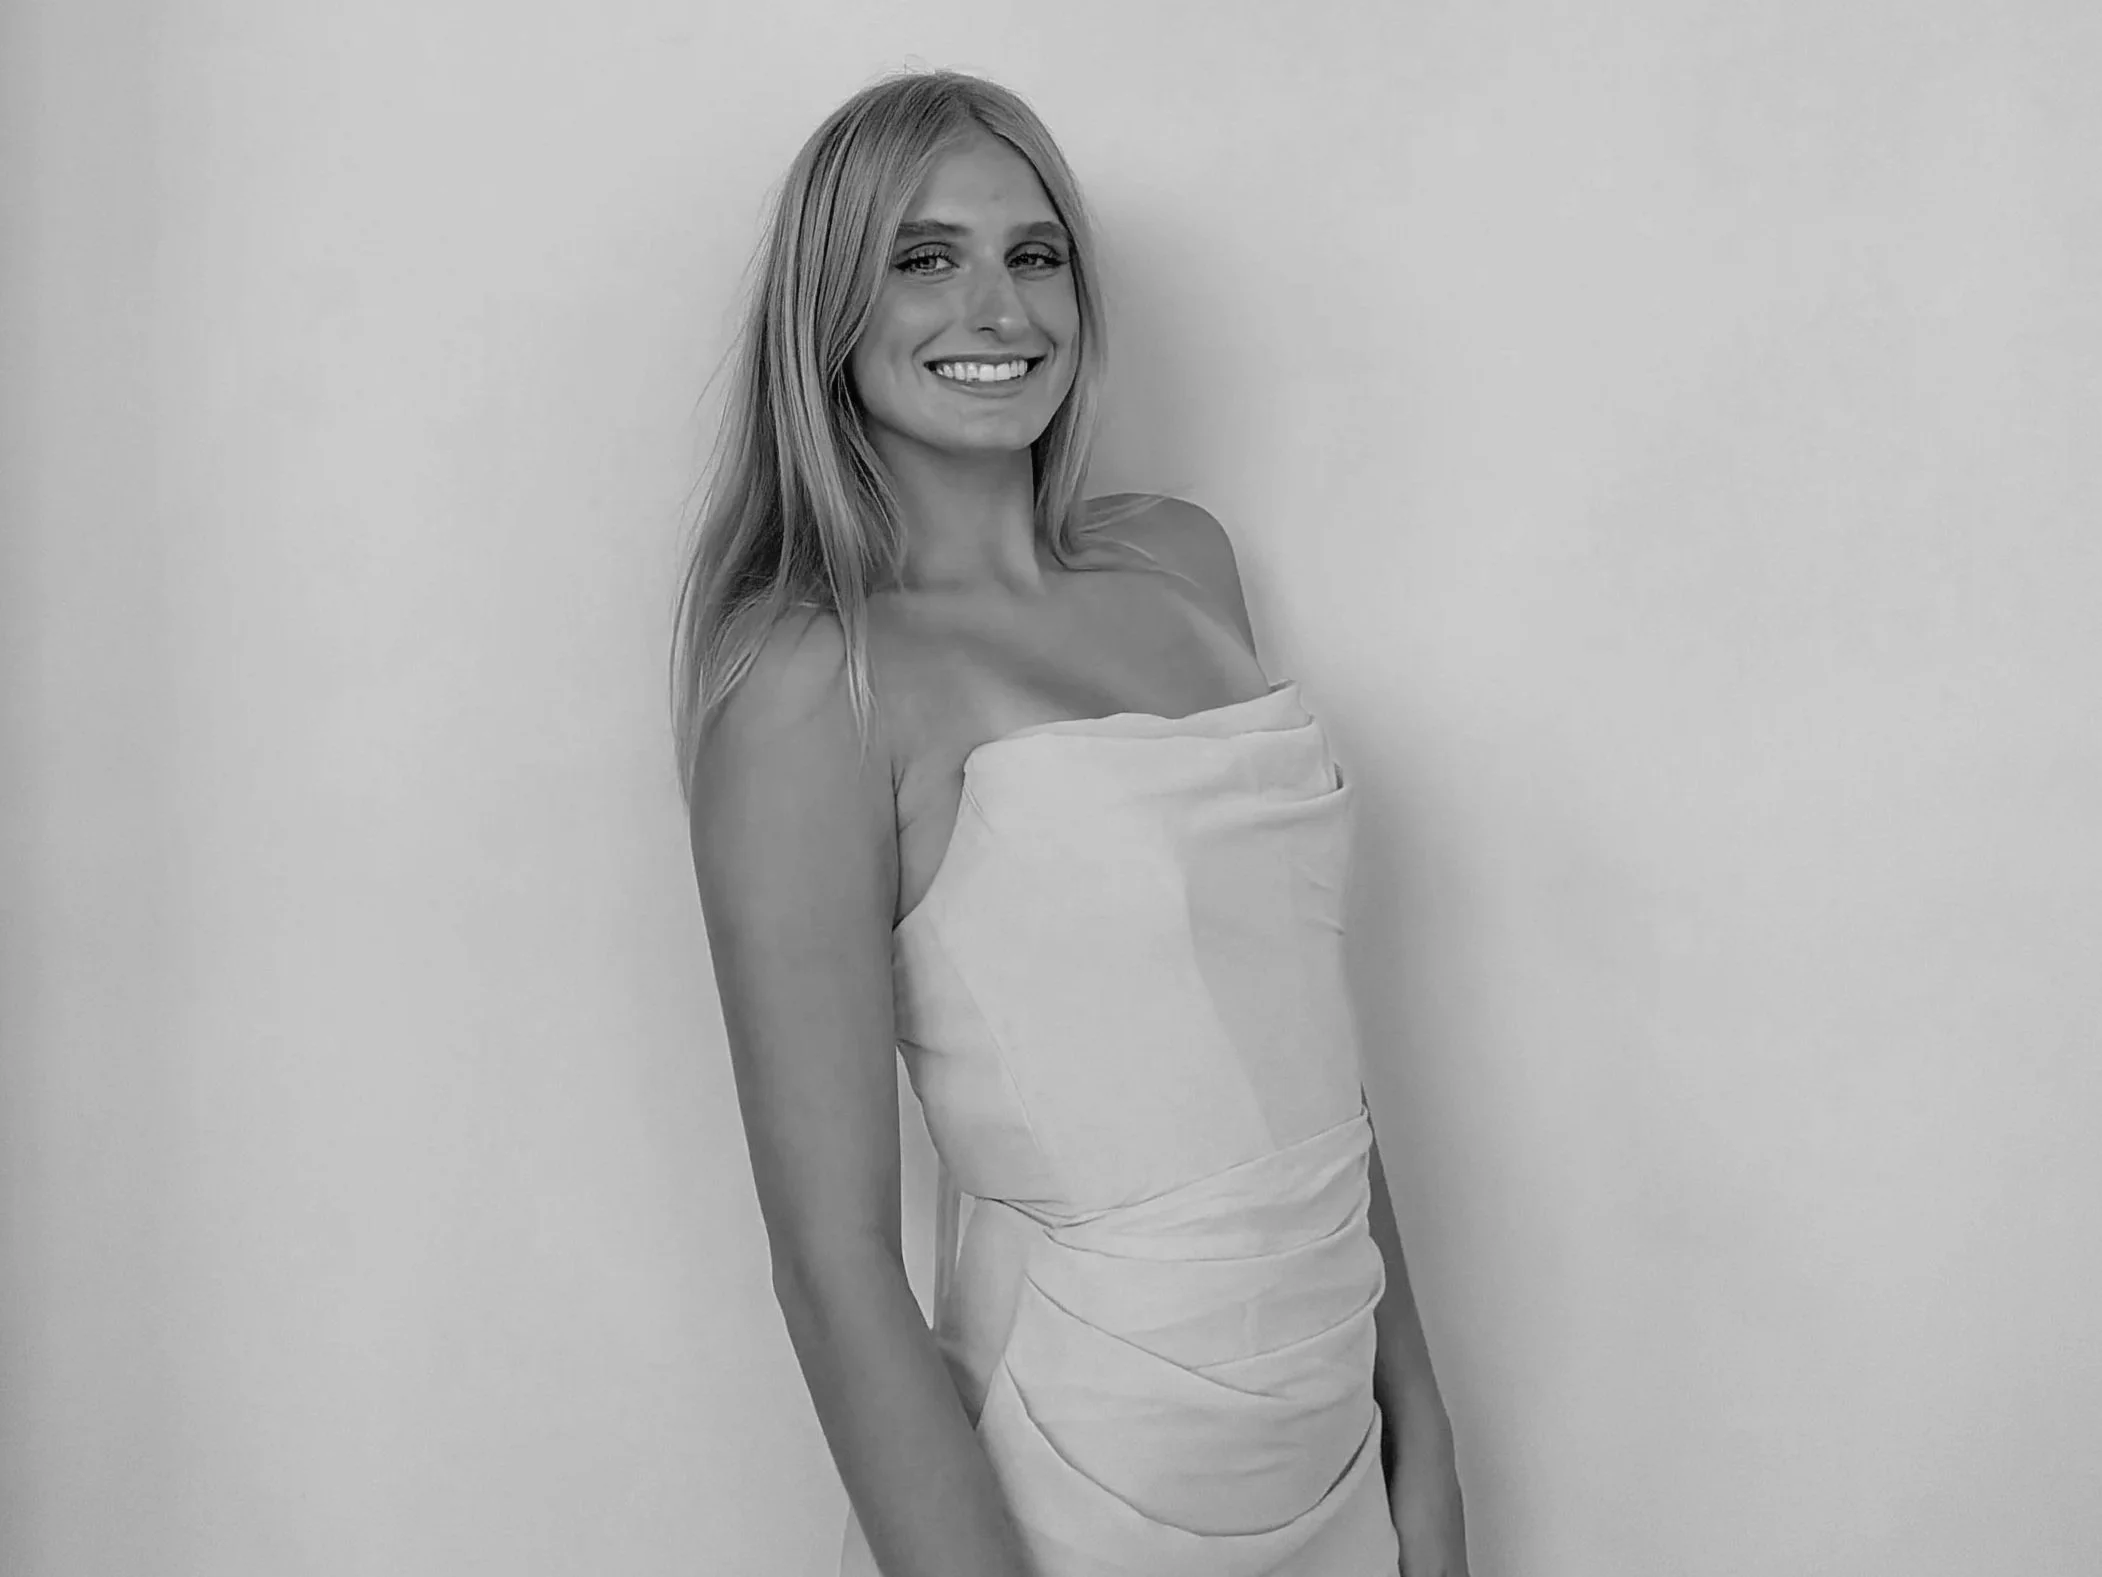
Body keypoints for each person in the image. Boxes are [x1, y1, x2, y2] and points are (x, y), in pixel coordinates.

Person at [671, 68, 1469, 1577]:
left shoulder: (1181, 564)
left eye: (1033, 254)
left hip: (1330, 1437)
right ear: (826, 309)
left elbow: (1306, 1063)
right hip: (1080, 1465)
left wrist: (1421, 1433)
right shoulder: (810, 684)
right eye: (924, 258)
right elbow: (831, 1267)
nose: (999, 308)